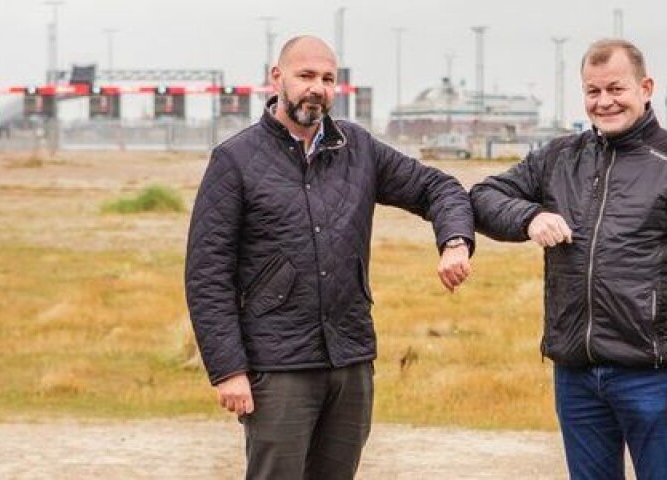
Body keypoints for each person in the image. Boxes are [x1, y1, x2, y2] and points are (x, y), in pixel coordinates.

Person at [185, 35, 475, 479]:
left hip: (350, 359)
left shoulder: (358, 150)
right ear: (277, 78)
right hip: (277, 364)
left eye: (327, 78)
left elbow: (438, 187)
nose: (316, 88)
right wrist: (228, 370)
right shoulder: (235, 160)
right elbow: (207, 273)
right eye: (305, 76)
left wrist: (454, 241)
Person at [470, 39, 667, 480]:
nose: (604, 102)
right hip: (577, 375)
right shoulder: (560, 158)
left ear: (645, 87)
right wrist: (529, 216)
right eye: (593, 92)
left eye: (616, 89)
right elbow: (482, 197)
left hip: (654, 377)